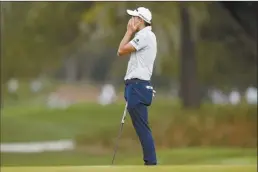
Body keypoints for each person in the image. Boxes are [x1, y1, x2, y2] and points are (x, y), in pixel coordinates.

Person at [117, 7, 157, 165]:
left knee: (142, 128)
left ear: (140, 20)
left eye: (134, 18)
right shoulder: (145, 35)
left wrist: (128, 31)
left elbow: (120, 50)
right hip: (136, 86)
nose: (132, 20)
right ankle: (150, 162)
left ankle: (151, 163)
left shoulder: (145, 35)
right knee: (142, 127)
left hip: (138, 87)